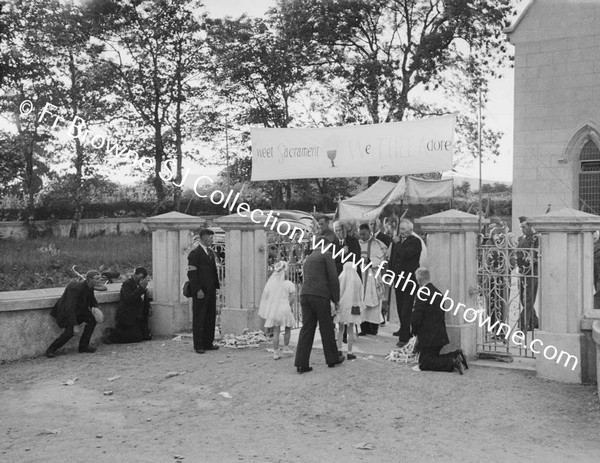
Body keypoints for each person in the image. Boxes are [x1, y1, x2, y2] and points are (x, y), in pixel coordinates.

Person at [294, 237, 345, 373]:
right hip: (320, 295)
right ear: (326, 245)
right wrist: (336, 299)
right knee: (326, 327)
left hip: (305, 294)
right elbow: (333, 279)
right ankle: (332, 359)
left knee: (307, 328)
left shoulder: (309, 258)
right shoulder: (327, 256)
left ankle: (301, 363)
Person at [411, 268, 467, 374]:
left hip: (428, 336)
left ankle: (452, 361)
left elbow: (416, 316)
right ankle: (456, 354)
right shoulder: (438, 292)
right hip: (439, 335)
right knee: (433, 357)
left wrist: (414, 332)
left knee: (424, 363)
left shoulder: (422, 293)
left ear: (419, 280)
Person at [45, 270, 102, 358]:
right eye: (97, 279)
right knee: (69, 332)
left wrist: (96, 308)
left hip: (79, 311)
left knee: (92, 321)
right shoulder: (75, 288)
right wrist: (75, 325)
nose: (99, 281)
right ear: (89, 279)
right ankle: (50, 350)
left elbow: (92, 300)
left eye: (100, 278)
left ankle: (83, 346)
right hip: (66, 313)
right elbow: (69, 307)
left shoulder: (90, 287)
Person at [188, 228, 221, 354]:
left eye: (212, 238)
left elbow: (213, 271)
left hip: (211, 289)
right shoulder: (195, 254)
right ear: (202, 238)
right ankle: (199, 345)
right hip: (201, 290)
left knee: (210, 316)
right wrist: (197, 289)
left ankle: (208, 342)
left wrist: (216, 286)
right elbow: (192, 273)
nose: (211, 240)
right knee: (199, 317)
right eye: (209, 238)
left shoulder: (210, 253)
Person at [390, 218, 422, 347]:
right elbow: (393, 259)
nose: (401, 232)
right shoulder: (397, 242)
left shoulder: (415, 242)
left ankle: (404, 337)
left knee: (406, 309)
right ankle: (404, 329)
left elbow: (405, 254)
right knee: (399, 306)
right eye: (400, 229)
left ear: (410, 230)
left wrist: (397, 244)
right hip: (398, 278)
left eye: (403, 229)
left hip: (409, 280)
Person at [102, 267, 152, 344]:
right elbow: (129, 298)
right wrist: (141, 288)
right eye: (140, 277)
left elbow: (144, 300)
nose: (141, 279)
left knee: (146, 336)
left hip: (138, 317)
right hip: (127, 316)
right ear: (135, 275)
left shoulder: (142, 286)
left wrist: (148, 307)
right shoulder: (127, 284)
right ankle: (111, 333)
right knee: (136, 337)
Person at [258, 261, 296, 360]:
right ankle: (286, 347)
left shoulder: (271, 284)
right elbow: (292, 297)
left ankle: (275, 352)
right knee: (287, 328)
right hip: (284, 307)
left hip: (275, 309)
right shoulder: (289, 283)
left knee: (276, 331)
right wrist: (289, 305)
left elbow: (267, 297)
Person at [357, 223, 387, 335]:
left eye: (364, 234)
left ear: (369, 232)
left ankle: (374, 328)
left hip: (372, 276)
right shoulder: (357, 244)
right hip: (360, 276)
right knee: (361, 303)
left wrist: (368, 260)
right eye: (360, 234)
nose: (362, 237)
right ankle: (364, 328)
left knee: (374, 304)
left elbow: (381, 258)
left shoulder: (376, 244)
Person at [335, 262, 364, 360]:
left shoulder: (341, 277)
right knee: (351, 330)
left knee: (340, 329)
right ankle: (350, 352)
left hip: (342, 306)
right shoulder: (357, 279)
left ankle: (339, 350)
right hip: (354, 306)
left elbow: (337, 291)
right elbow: (360, 293)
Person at [515, 216, 540, 331]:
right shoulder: (520, 239)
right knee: (522, 299)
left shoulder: (535, 239)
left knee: (529, 299)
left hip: (532, 272)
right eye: (521, 227)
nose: (522, 229)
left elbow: (537, 255)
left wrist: (532, 260)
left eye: (524, 227)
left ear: (530, 227)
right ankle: (534, 322)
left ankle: (522, 325)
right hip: (521, 271)